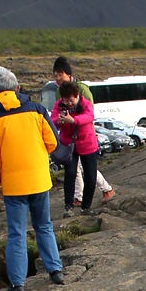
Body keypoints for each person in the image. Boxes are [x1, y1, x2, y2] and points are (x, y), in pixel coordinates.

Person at [0, 66, 63, 291]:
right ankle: (55, 270)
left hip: (14, 187)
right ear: (17, 88)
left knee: (17, 233)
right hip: (39, 180)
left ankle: (18, 284)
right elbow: (53, 141)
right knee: (44, 226)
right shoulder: (36, 111)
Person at [52, 56, 115, 202]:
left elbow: (90, 112)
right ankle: (81, 196)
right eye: (55, 75)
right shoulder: (58, 92)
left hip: (84, 136)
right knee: (76, 170)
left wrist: (76, 122)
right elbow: (56, 114)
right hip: (69, 138)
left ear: (68, 74)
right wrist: (60, 122)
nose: (57, 78)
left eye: (60, 74)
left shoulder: (82, 89)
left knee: (86, 170)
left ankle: (103, 189)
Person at [53, 82, 100, 215]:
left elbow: (89, 116)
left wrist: (74, 120)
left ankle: (86, 206)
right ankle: (69, 206)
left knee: (91, 176)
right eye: (66, 100)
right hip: (68, 145)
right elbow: (53, 119)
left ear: (77, 95)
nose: (69, 103)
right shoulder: (58, 105)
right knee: (70, 174)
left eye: (71, 100)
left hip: (87, 143)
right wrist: (59, 121)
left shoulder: (85, 103)